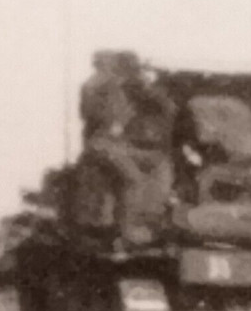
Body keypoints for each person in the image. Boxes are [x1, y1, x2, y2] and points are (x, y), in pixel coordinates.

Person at [75, 51, 177, 246]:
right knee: (133, 177)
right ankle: (130, 227)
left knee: (159, 163)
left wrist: (146, 89)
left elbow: (164, 107)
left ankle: (151, 219)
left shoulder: (121, 86)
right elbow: (109, 119)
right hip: (102, 144)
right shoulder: (97, 85)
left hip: (118, 144)